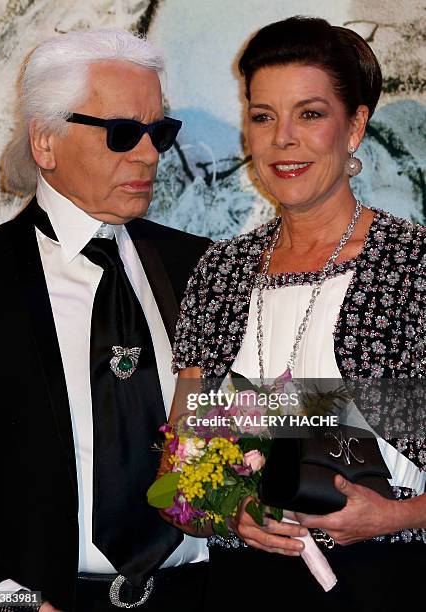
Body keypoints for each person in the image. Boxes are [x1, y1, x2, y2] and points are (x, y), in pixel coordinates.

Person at [165, 16, 426, 612]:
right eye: (263, 116)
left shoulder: (411, 268)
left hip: (389, 580)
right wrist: (231, 514)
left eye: (310, 114)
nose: (283, 139)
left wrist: (393, 516)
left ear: (354, 126)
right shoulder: (220, 274)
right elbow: (177, 476)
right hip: (241, 587)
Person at [0, 29, 211, 612]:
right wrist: (5, 602)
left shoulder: (203, 267)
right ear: (45, 142)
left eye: (160, 131)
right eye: (123, 133)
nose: (150, 153)